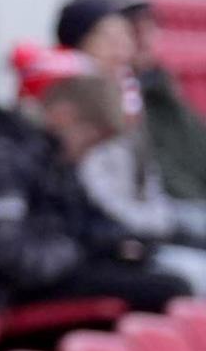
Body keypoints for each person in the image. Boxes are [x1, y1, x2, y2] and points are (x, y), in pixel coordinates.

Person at [0, 47, 193, 319]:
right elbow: (8, 254)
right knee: (169, 287)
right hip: (17, 292)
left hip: (55, 270)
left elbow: (86, 220)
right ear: (64, 115)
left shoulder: (45, 152)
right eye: (90, 140)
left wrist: (121, 244)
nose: (86, 154)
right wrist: (80, 252)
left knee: (161, 267)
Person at [32, 70, 206, 290]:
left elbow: (93, 222)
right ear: (64, 115)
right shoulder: (38, 158)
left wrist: (124, 242)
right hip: (68, 271)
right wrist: (110, 246)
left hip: (130, 239)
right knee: (187, 278)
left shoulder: (62, 159)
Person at [60, 0, 206, 201]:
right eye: (131, 28)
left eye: (149, 25)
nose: (140, 39)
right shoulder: (77, 101)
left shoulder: (157, 90)